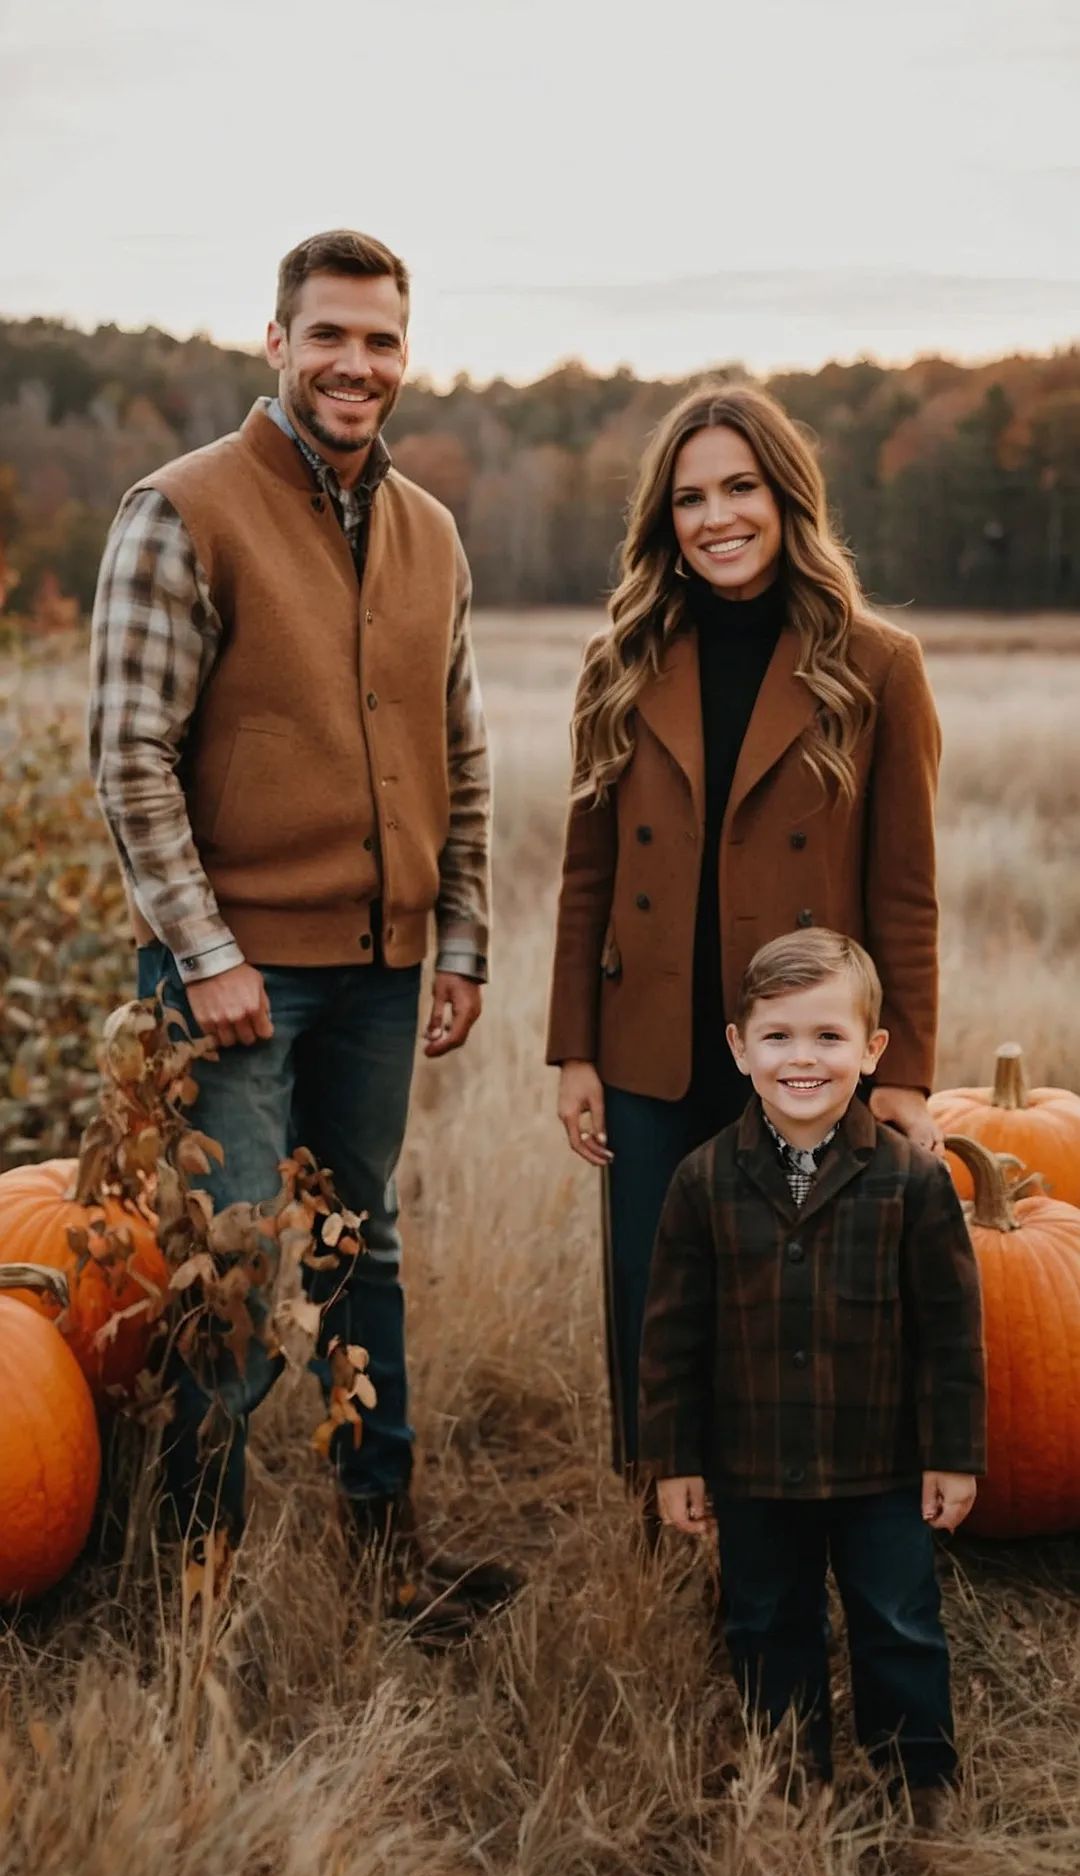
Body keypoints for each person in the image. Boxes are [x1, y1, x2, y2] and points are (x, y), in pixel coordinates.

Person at [89, 228, 519, 1639]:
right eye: (329, 335)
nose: (358, 364)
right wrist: (206, 955)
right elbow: (129, 756)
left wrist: (460, 934)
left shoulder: (432, 534)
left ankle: (386, 1558)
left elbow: (461, 751)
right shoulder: (183, 511)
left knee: (364, 1254)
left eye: (382, 340)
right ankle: (188, 1583)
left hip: (385, 969)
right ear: (274, 343)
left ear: (407, 354)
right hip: (238, 977)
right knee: (236, 1270)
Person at [547, 383, 945, 1478]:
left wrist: (902, 1070)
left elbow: (907, 890)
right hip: (647, 1046)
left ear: (786, 498)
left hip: (805, 1044)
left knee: (798, 1304)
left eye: (740, 488)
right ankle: (663, 1516)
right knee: (655, 1292)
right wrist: (576, 1050)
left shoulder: (879, 666)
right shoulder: (618, 659)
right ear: (662, 521)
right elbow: (589, 873)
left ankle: (793, 1532)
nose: (716, 517)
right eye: (689, 498)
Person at [638, 929, 986, 1817]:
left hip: (881, 1464)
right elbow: (672, 1339)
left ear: (872, 1051)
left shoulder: (914, 1183)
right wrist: (675, 1460)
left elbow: (951, 1335)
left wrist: (953, 1454)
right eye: (779, 1036)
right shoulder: (700, 1182)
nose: (803, 1059)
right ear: (739, 1048)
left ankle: (920, 1781)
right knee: (765, 1622)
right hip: (754, 1468)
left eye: (829, 1038)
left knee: (900, 1626)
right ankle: (792, 1776)